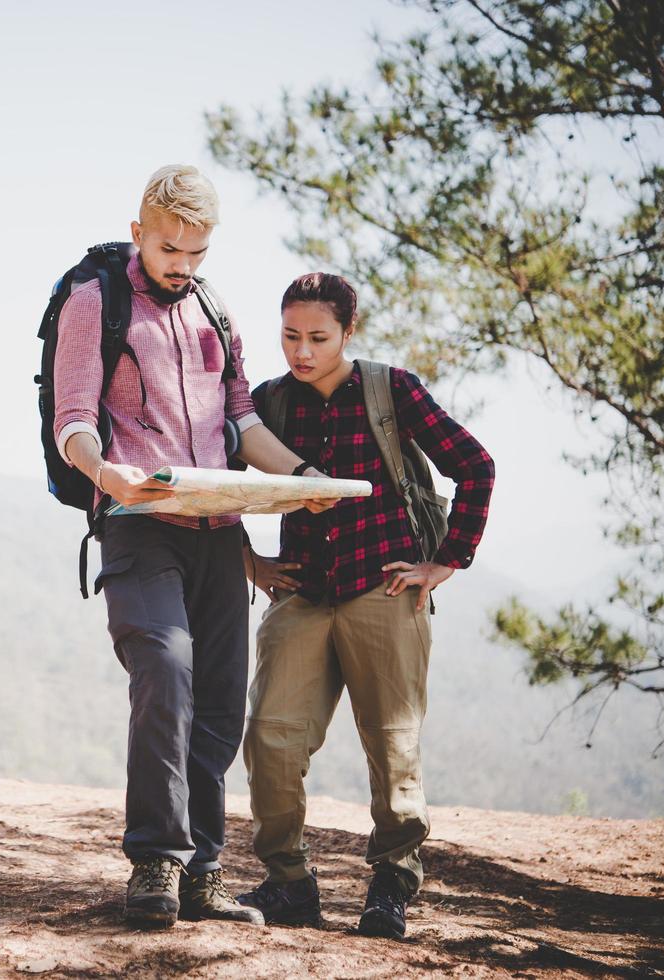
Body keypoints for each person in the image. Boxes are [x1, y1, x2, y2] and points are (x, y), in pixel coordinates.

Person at [52, 165, 336, 929]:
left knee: (216, 701)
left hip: (219, 531)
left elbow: (240, 421)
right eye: (169, 247)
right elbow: (72, 417)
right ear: (140, 230)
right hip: (138, 524)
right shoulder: (94, 302)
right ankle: (154, 862)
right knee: (164, 669)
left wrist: (307, 479)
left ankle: (203, 873)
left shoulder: (214, 309)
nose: (181, 264)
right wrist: (105, 472)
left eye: (196, 251)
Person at [235, 273, 496, 939]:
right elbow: (217, 482)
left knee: (391, 743)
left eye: (317, 338)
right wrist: (252, 563)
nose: (301, 350)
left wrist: (445, 562)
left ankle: (390, 886)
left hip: (382, 588)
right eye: (290, 335)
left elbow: (474, 465)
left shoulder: (389, 390)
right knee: (269, 735)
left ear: (347, 333)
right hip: (300, 594)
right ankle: (288, 884)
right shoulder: (266, 403)